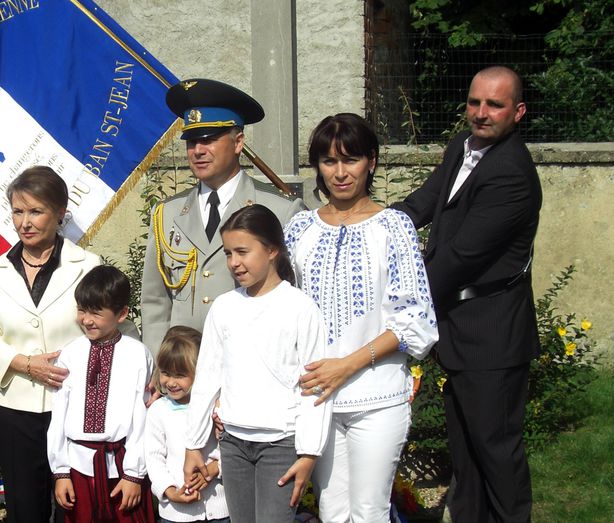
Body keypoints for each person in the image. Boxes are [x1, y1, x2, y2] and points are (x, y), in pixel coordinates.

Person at [392, 65, 541, 523]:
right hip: (459, 329)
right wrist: (368, 227)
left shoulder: (512, 174)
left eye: (494, 104)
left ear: (517, 112)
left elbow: (459, 258)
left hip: (490, 332)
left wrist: (388, 293)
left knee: (497, 455)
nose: (480, 113)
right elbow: (423, 202)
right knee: (467, 454)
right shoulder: (462, 146)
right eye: (475, 102)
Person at [285, 113, 438, 521]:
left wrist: (348, 365)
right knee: (333, 512)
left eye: (350, 160)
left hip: (378, 395)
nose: (339, 173)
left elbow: (414, 321)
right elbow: (284, 309)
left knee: (369, 511)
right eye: (328, 161)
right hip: (317, 398)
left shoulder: (394, 226)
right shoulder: (300, 228)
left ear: (371, 161)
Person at [0, 165, 119, 523]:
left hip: (74, 404)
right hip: (16, 406)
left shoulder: (87, 265)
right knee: (25, 507)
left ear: (60, 213)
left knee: (78, 503)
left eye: (36, 211)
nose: (25, 221)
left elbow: (110, 324)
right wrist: (23, 363)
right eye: (18, 211)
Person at [182, 204, 330, 523]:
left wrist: (309, 452)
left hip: (280, 445)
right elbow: (208, 376)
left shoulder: (300, 308)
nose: (234, 262)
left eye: (243, 252)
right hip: (233, 444)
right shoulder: (224, 307)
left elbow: (315, 386)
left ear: (272, 249)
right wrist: (193, 444)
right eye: (228, 253)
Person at [141, 78, 306, 352]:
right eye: (191, 141)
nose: (198, 151)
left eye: (209, 139)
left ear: (238, 142)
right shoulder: (166, 214)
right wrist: (159, 365)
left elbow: (296, 295)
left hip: (251, 364)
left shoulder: (281, 211)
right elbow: (155, 302)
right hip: (184, 373)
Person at [47, 265, 155, 523]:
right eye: (82, 310)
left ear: (122, 314)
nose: (86, 320)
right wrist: (61, 472)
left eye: (96, 312)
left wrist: (133, 474)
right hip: (78, 469)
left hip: (121, 468)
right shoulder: (70, 354)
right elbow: (58, 416)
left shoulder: (137, 354)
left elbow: (142, 419)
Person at [145, 326, 229, 523]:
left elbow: (231, 448)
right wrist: (169, 491)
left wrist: (215, 468)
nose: (171, 382)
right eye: (165, 373)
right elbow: (154, 457)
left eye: (180, 375)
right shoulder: (158, 411)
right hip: (176, 513)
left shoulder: (217, 407)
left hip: (220, 508)